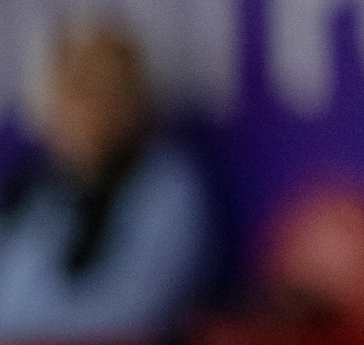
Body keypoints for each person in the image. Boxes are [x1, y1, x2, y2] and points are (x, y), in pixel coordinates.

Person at [0, 20, 213, 341]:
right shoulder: (39, 190)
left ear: (138, 103)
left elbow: (133, 312)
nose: (90, 109)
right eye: (76, 90)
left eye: (110, 91)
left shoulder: (168, 188)